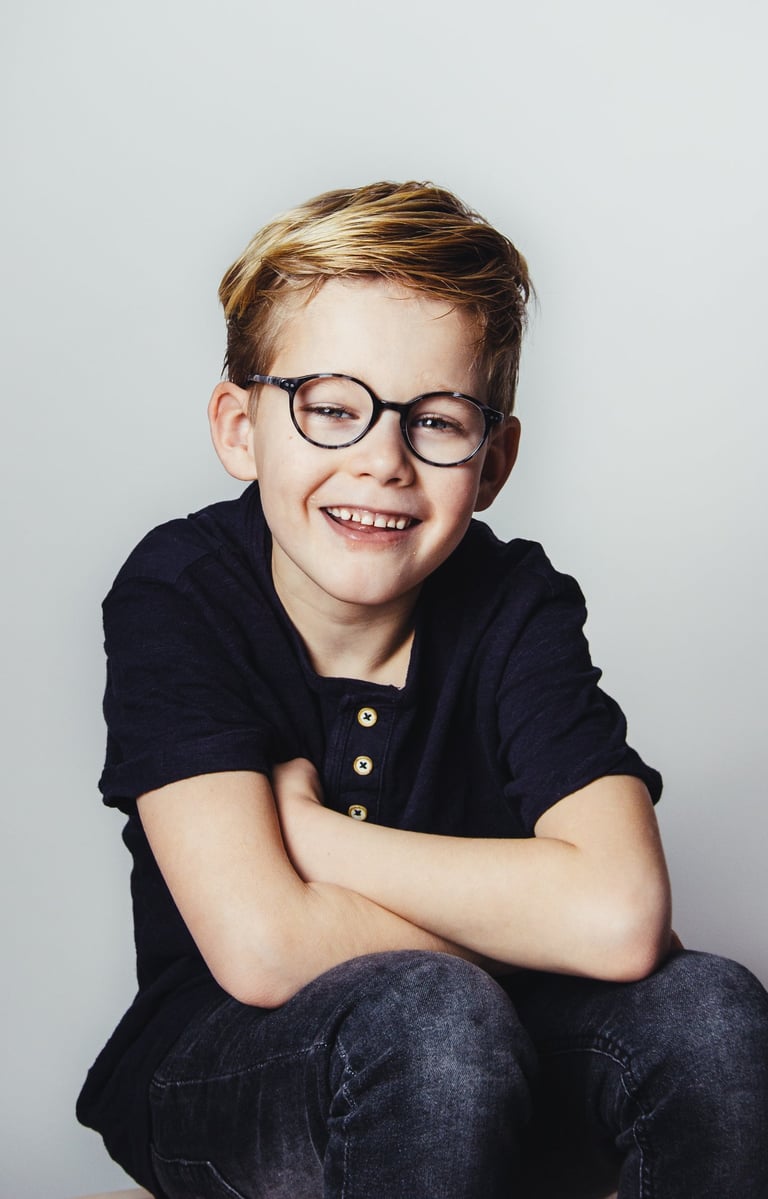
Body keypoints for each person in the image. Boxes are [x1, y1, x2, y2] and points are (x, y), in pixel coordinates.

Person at [78, 181, 768, 1199]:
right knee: (434, 1015)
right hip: (238, 1060)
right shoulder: (179, 591)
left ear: (493, 461)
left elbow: (621, 916)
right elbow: (265, 944)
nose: (381, 460)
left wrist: (316, 843)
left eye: (437, 421)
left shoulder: (516, 602)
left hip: (494, 1056)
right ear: (240, 426)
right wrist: (536, 924)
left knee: (710, 1009)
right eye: (329, 407)